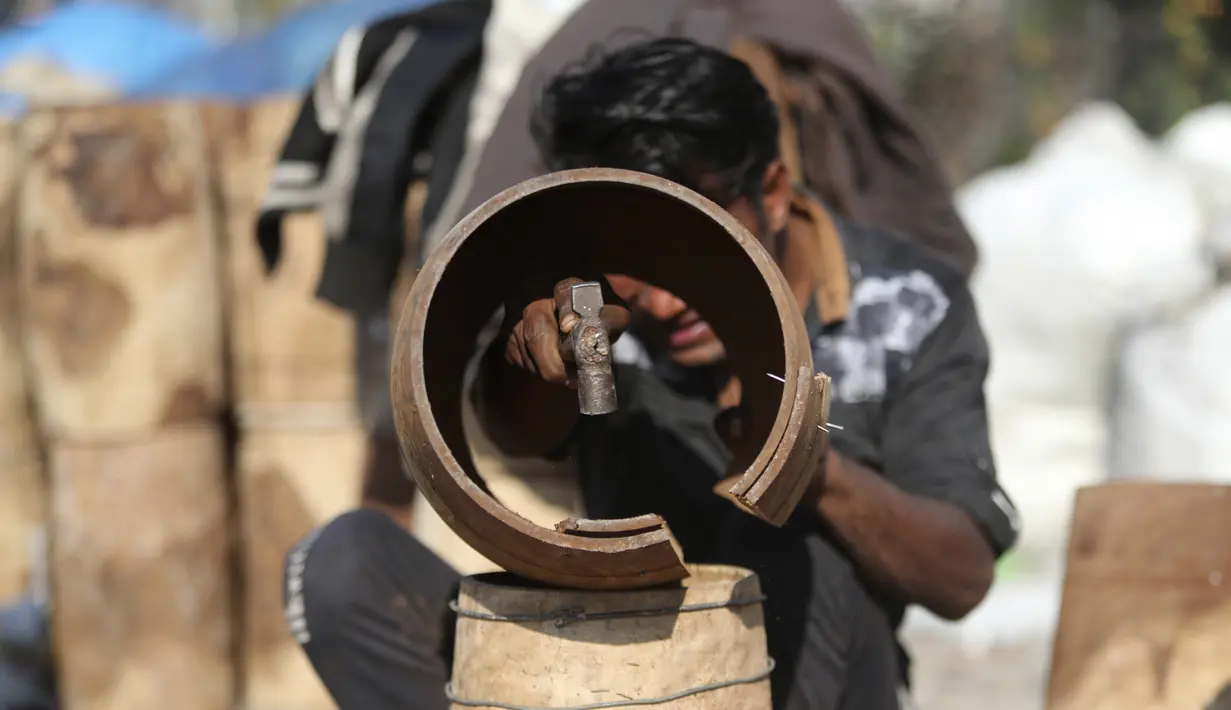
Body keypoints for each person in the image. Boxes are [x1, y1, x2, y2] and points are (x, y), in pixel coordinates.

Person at [284, 38, 1019, 710]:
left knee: (798, 550)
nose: (663, 299)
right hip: (605, 666)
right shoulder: (595, 306)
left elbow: (958, 578)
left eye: (695, 246)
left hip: (815, 672)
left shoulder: (905, 307)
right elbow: (514, 431)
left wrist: (810, 467)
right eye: (640, 255)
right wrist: (541, 368)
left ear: (769, 192)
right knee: (345, 566)